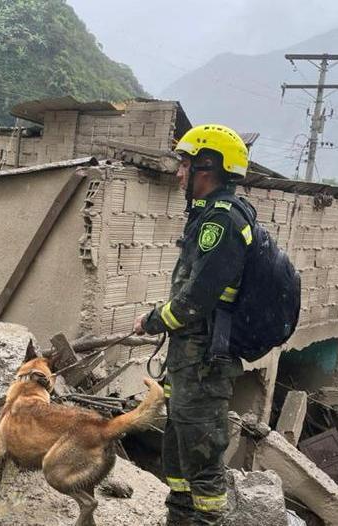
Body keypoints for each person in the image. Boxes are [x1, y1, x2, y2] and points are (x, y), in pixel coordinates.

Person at [133, 124, 253, 525]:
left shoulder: (223, 224)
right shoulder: (207, 217)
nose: (178, 173)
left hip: (204, 364)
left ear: (208, 165)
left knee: (202, 471)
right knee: (179, 464)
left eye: (184, 164)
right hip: (189, 363)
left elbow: (194, 302)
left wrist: (151, 321)